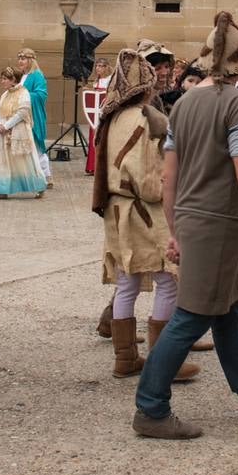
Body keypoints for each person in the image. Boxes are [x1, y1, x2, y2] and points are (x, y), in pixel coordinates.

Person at [132, 11, 238, 440]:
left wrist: (173, 228)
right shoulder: (237, 103)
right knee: (192, 316)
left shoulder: (183, 104)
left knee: (227, 311)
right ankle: (150, 407)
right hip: (219, 225)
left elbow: (169, 176)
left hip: (190, 220)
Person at [93, 49, 200, 384]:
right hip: (143, 211)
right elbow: (150, 180)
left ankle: (125, 358)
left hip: (116, 209)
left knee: (127, 282)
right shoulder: (145, 119)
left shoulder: (109, 119)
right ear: (145, 85)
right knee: (168, 279)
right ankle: (162, 360)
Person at [0, 66, 48, 200]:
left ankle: (39, 186)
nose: (2, 82)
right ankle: (2, 189)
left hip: (18, 131)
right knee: (3, 161)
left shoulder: (23, 93)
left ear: (13, 80)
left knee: (25, 159)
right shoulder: (5, 94)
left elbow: (22, 112)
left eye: (5, 79)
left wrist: (6, 125)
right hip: (3, 132)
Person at [16, 47, 52, 187]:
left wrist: (22, 95)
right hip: (24, 115)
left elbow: (41, 94)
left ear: (30, 60)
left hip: (34, 116)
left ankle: (47, 176)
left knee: (36, 147)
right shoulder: (22, 76)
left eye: (23, 58)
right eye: (19, 58)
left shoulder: (37, 75)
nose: (20, 61)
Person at [82, 57, 112, 176]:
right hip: (95, 118)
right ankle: (92, 167)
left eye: (100, 66)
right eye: (97, 66)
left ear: (106, 67)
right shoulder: (96, 81)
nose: (98, 68)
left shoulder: (110, 81)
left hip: (104, 115)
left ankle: (103, 167)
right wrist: (88, 90)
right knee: (93, 140)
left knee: (104, 140)